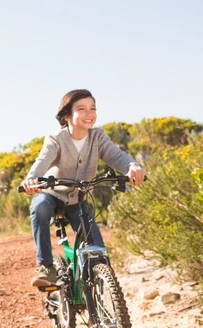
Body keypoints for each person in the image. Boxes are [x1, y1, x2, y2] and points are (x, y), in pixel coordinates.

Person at [21, 89, 145, 287]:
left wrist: (133, 166)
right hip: (52, 194)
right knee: (40, 208)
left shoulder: (98, 137)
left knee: (98, 251)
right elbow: (41, 162)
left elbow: (116, 156)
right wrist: (31, 180)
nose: (90, 114)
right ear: (67, 115)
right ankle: (46, 267)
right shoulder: (56, 139)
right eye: (82, 109)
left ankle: (101, 294)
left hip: (78, 199)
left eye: (93, 108)